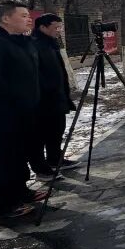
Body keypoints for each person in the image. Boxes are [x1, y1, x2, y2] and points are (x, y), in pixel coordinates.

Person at [0, 1, 48, 220]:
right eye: (23, 15)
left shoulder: (18, 41)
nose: (29, 19)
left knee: (17, 155)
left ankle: (19, 191)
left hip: (21, 112)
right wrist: (17, 99)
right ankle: (0, 204)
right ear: (6, 18)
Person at [28, 14, 79, 176]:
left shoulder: (51, 43)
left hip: (57, 96)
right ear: (43, 27)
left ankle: (55, 158)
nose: (59, 30)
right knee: (39, 134)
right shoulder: (34, 45)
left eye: (60, 27)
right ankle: (40, 167)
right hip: (43, 99)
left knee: (57, 130)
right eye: (56, 27)